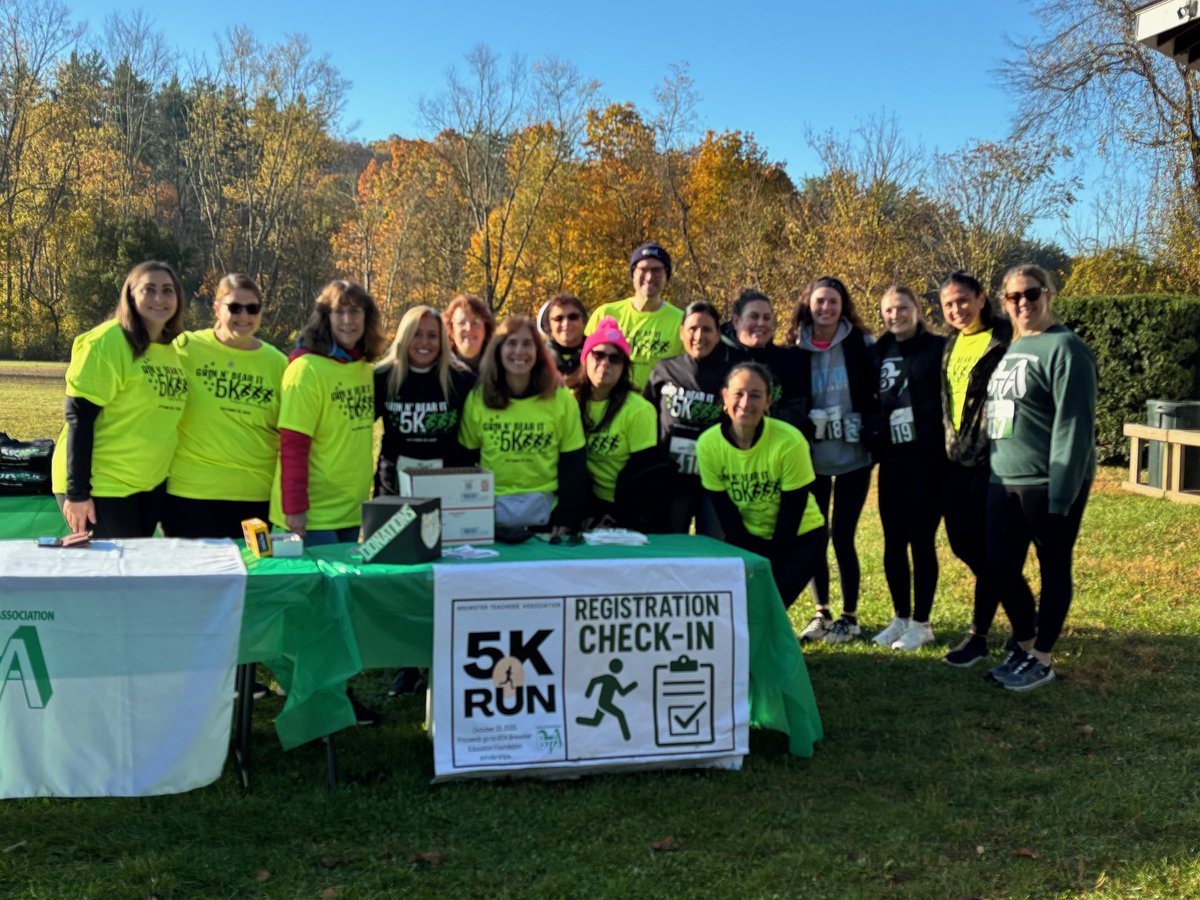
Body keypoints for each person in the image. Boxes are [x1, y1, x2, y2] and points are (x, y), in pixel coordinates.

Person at [984, 265, 1097, 691]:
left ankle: (1043, 657)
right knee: (998, 566)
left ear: (1048, 294)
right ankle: (1026, 640)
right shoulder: (1015, 345)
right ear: (1004, 302)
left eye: (1032, 293)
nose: (1023, 303)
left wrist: (1062, 492)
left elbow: (1075, 425)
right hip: (1003, 476)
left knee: (1052, 566)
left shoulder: (1067, 348)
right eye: (1014, 297)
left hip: (1047, 480)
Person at [51, 261, 188, 538]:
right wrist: (77, 493)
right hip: (102, 485)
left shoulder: (174, 348)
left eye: (167, 290)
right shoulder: (106, 342)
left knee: (135, 574)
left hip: (148, 485)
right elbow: (79, 419)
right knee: (112, 575)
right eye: (149, 290)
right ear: (130, 295)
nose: (159, 299)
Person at [164, 273, 287, 539]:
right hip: (190, 492)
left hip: (255, 496)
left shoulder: (277, 363)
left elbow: (287, 430)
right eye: (234, 307)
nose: (244, 316)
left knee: (251, 576)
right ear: (218, 309)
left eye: (252, 308)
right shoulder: (185, 347)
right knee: (194, 576)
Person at [786, 276, 876, 643]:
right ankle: (821, 613)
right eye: (819, 301)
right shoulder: (794, 347)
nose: (825, 308)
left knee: (843, 535)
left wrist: (868, 423)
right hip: (812, 457)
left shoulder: (862, 343)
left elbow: (877, 393)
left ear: (843, 306)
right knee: (816, 535)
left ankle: (850, 617)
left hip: (855, 455)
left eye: (832, 302)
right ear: (808, 303)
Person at [696, 362, 828, 609]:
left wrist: (768, 565)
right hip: (748, 537)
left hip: (801, 537)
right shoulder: (708, 445)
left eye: (756, 395)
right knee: (742, 605)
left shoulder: (789, 441)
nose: (746, 403)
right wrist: (752, 559)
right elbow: (727, 517)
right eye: (739, 394)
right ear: (725, 397)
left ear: (768, 401)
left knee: (769, 605)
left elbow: (791, 514)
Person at [269, 280, 388, 546]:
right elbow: (293, 446)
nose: (348, 320)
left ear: (367, 318)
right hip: (311, 517)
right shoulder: (305, 370)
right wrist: (295, 510)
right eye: (339, 311)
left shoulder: (363, 369)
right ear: (326, 318)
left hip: (350, 513)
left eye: (356, 311)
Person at [937, 272, 1014, 667]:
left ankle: (980, 635)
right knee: (962, 545)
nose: (956, 309)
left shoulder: (1006, 339)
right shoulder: (949, 344)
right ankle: (1021, 610)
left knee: (989, 547)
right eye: (949, 304)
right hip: (955, 459)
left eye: (963, 300)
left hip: (993, 459)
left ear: (982, 298)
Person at [458, 316, 587, 538]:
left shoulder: (561, 399)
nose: (519, 351)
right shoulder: (479, 398)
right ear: (498, 350)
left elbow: (573, 462)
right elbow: (464, 461)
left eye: (527, 344)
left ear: (538, 352)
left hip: (547, 514)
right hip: (490, 514)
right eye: (511, 343)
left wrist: (567, 515)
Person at [869, 286, 947, 651]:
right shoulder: (879, 350)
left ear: (917, 309)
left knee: (921, 541)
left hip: (927, 461)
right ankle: (900, 616)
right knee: (893, 541)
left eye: (902, 308)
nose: (895, 315)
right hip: (892, 461)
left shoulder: (937, 348)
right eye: (888, 310)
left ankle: (922, 622)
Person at [643, 301, 738, 535]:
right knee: (674, 550)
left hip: (715, 480)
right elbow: (646, 419)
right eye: (692, 328)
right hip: (672, 480)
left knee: (714, 550)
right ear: (681, 332)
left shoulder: (733, 374)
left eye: (707, 329)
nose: (699, 336)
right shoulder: (663, 370)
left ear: (718, 334)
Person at [374, 304, 476, 496]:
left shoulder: (461, 379)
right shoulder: (382, 377)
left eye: (432, 335)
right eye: (416, 334)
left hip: (449, 488)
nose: (424, 342)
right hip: (394, 488)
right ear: (404, 337)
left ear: (442, 340)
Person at [572, 316, 659, 528]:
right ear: (585, 359)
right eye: (598, 355)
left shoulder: (639, 410)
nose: (605, 363)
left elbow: (643, 474)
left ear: (624, 367)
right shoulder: (570, 402)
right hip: (583, 502)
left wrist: (615, 516)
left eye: (615, 358)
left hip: (626, 505)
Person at [585, 242, 683, 389]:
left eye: (656, 271)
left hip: (659, 406)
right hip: (610, 403)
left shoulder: (681, 321)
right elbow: (584, 359)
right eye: (643, 270)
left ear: (666, 276)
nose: (649, 277)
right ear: (633, 273)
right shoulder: (606, 314)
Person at [719, 288, 807, 428]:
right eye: (754, 317)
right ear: (736, 321)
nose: (761, 323)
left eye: (766, 318)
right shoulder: (718, 357)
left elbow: (797, 411)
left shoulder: (789, 359)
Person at [537, 293, 588, 380]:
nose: (566, 323)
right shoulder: (537, 357)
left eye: (573, 317)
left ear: (584, 320)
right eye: (558, 319)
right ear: (549, 325)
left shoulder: (599, 354)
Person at [443, 293, 495, 374]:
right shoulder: (439, 371)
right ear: (451, 330)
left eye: (475, 322)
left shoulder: (500, 370)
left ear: (486, 329)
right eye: (461, 322)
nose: (469, 328)